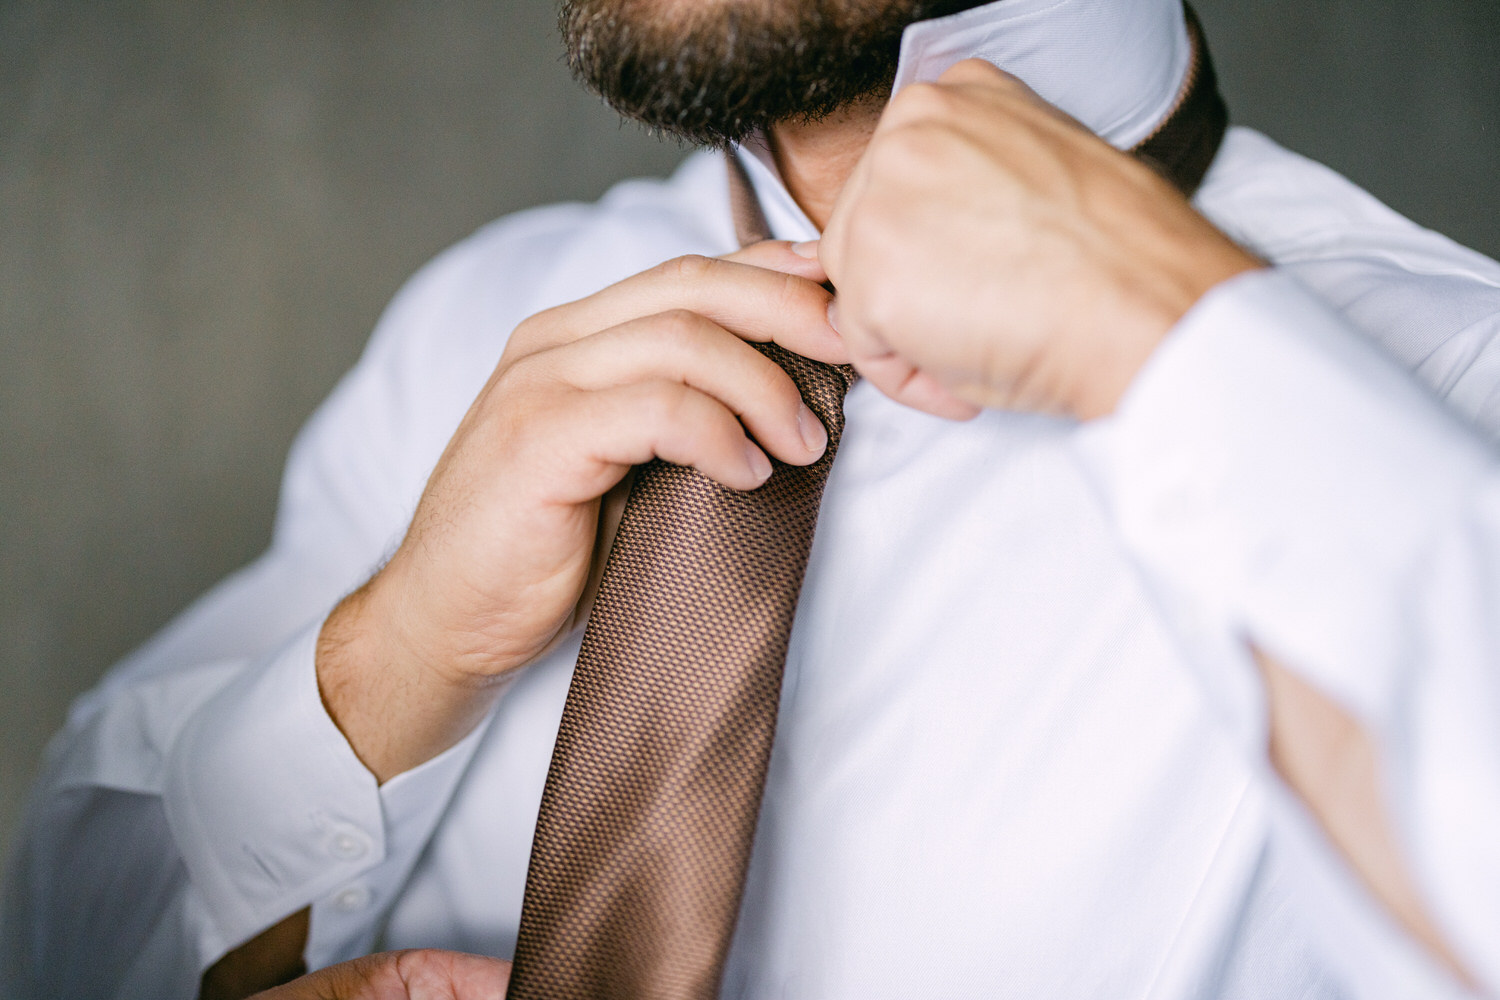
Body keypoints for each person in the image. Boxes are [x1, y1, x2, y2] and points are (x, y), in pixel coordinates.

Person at [4, 0, 1498, 997]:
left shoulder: (1450, 395)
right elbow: (58, 947)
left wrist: (1168, 339)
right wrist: (392, 660)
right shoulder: (480, 324)